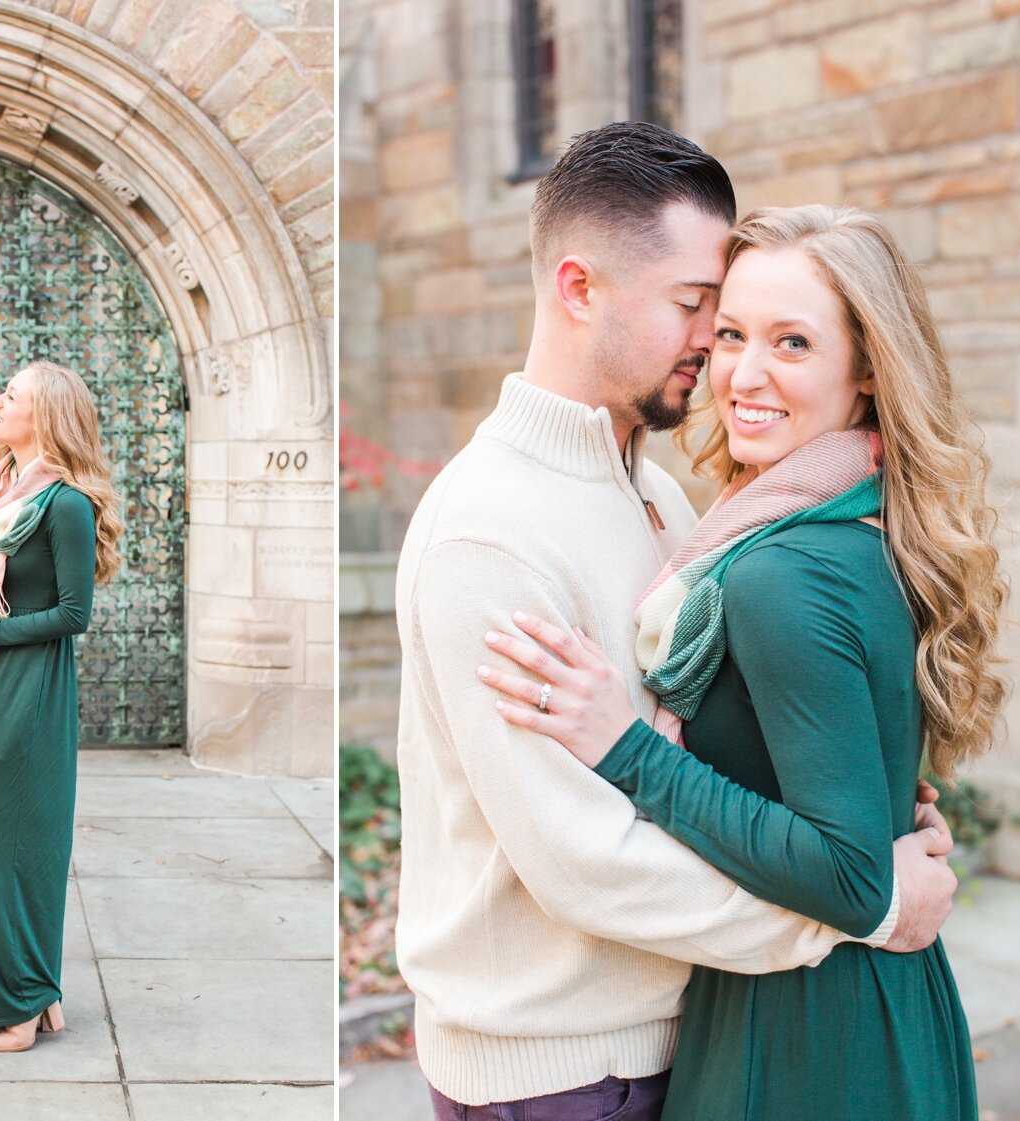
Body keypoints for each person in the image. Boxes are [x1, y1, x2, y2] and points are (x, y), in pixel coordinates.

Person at [393, 123, 960, 1120]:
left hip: (683, 1035)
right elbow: (586, 861)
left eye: (749, 323)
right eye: (702, 310)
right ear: (580, 289)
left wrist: (880, 804)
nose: (719, 347)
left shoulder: (667, 498)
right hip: (564, 1071)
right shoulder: (487, 533)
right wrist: (861, 911)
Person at [0, 359, 122, 1053]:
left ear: (43, 414)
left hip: (32, 685)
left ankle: (21, 1001)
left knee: (9, 841)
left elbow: (74, 613)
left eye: (10, 395)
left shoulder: (65, 504)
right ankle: (15, 991)